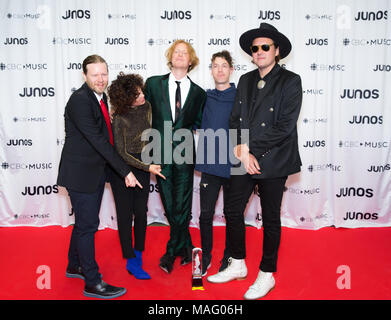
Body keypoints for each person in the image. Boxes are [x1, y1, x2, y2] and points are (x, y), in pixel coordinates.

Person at [207, 23, 303, 300]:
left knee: (271, 218)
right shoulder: (247, 81)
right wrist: (242, 149)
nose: (259, 52)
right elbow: (235, 119)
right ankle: (237, 263)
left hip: (274, 159)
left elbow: (284, 126)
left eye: (265, 47)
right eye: (255, 48)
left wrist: (251, 150)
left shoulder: (291, 81)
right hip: (244, 156)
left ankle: (266, 274)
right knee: (232, 210)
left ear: (277, 51)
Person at [57, 54, 140, 299]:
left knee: (83, 223)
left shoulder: (99, 97)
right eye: (95, 75)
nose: (101, 79)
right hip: (81, 174)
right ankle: (92, 282)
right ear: (84, 76)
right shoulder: (81, 101)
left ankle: (75, 265)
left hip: (91, 171)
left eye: (104, 73)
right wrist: (125, 170)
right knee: (88, 227)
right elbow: (98, 141)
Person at [144, 40, 206, 274]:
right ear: (171, 57)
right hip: (158, 152)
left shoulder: (199, 93)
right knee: (170, 204)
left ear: (191, 61)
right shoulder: (153, 84)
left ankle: (171, 251)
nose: (180, 55)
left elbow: (199, 122)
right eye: (176, 52)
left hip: (185, 154)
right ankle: (186, 245)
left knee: (183, 203)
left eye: (185, 53)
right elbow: (144, 118)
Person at [108, 72, 165, 280]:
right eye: (136, 95)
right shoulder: (119, 118)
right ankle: (130, 259)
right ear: (125, 99)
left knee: (141, 212)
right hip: (122, 169)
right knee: (125, 214)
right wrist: (146, 167)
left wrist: (148, 163)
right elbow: (121, 153)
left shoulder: (147, 107)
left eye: (141, 92)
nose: (142, 97)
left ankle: (138, 254)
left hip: (143, 164)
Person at [194, 50, 236, 276]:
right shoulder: (205, 97)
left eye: (224, 65)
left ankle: (229, 256)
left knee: (232, 215)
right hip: (210, 164)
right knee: (205, 214)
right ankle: (206, 254)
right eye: (215, 66)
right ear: (210, 70)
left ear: (231, 69)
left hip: (233, 165)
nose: (219, 70)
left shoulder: (241, 96)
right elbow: (189, 120)